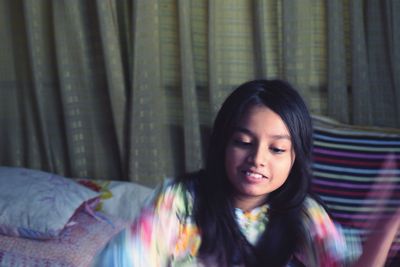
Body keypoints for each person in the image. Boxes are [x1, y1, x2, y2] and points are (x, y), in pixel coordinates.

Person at [107, 79, 399, 267]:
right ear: (223, 142)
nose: (257, 159)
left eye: (277, 149)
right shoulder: (178, 202)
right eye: (244, 143)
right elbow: (120, 261)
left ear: (295, 158)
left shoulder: (305, 215)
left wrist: (383, 234)